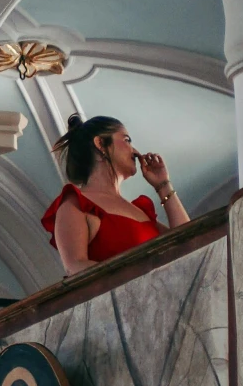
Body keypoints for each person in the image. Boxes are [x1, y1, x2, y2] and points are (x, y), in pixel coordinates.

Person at [43, 114, 189, 274]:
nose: (134, 150)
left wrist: (163, 185)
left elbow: (188, 245)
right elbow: (75, 267)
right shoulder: (76, 204)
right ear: (100, 144)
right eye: (127, 140)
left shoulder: (140, 211)